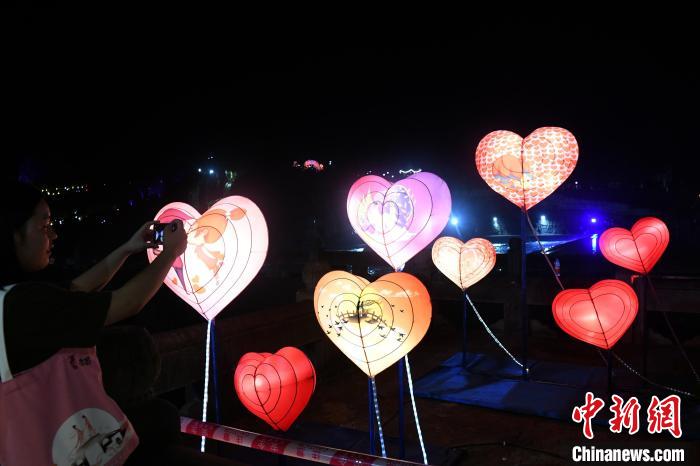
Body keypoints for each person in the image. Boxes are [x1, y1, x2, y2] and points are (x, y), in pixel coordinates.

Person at [0, 181, 187, 465]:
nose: (53, 234)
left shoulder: (11, 299)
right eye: (43, 226)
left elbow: (75, 290)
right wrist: (172, 253)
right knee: (162, 418)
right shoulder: (24, 303)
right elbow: (127, 302)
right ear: (14, 235)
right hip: (52, 446)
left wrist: (128, 248)